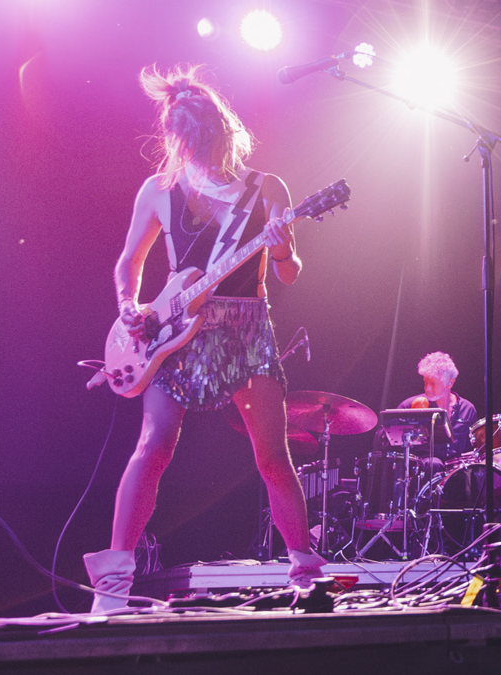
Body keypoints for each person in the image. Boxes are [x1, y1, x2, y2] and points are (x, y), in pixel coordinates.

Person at [83, 64, 323, 613]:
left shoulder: (266, 188)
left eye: (203, 140)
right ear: (175, 138)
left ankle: (307, 578)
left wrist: (283, 247)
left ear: (221, 132)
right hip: (176, 332)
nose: (196, 152)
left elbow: (288, 274)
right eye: (186, 142)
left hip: (246, 329)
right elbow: (129, 261)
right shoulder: (158, 190)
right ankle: (113, 587)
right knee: (153, 447)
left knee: (272, 456)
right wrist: (129, 306)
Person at [397, 351, 477, 465]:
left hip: (456, 468)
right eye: (425, 382)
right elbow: (390, 441)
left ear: (449, 383)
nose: (427, 388)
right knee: (434, 463)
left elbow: (472, 447)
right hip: (424, 467)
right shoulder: (409, 406)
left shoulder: (467, 409)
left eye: (433, 383)